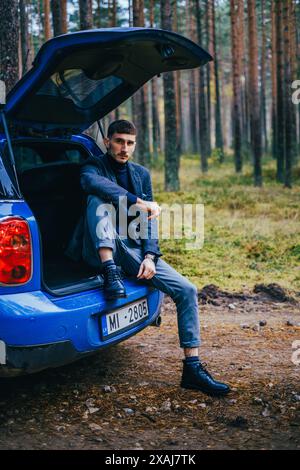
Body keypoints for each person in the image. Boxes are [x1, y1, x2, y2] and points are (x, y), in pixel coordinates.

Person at [79, 119, 230, 397]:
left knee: (187, 290)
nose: (124, 148)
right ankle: (110, 270)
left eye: (130, 143)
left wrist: (150, 255)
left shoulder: (140, 174)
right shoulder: (93, 167)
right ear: (107, 142)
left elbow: (149, 221)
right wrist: (137, 201)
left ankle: (192, 368)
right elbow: (92, 184)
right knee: (96, 200)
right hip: (102, 248)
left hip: (134, 250)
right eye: (119, 141)